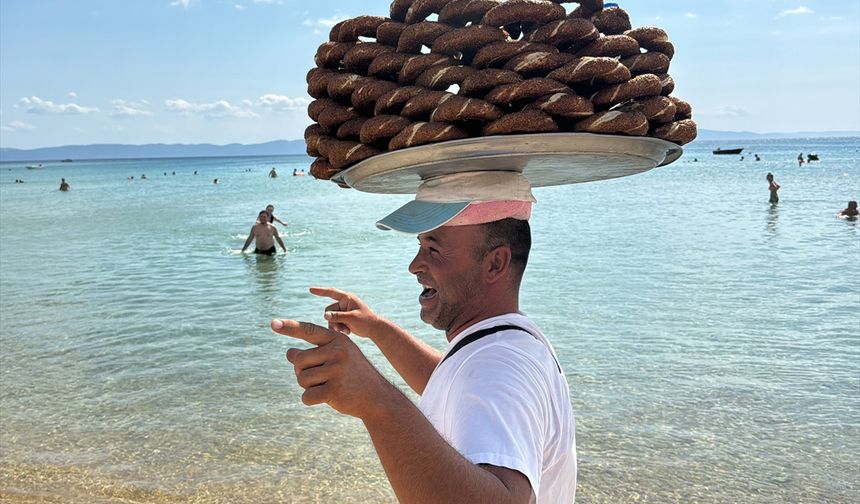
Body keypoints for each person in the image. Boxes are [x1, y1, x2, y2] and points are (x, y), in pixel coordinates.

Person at [271, 171, 576, 504]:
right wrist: (376, 328)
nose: (414, 265)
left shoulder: (500, 364)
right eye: (420, 246)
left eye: (434, 248)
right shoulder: (507, 342)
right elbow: (455, 385)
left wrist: (375, 401)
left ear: (495, 264)